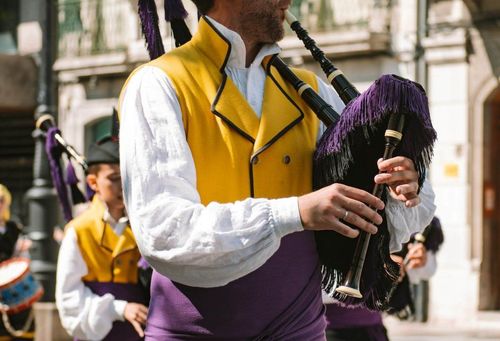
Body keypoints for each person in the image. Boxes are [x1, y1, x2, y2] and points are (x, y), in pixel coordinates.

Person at [119, 0, 436, 339]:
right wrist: (294, 212)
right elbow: (162, 229)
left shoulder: (312, 90)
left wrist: (397, 187)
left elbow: (379, 219)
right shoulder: (158, 83)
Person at [55, 137, 149, 341]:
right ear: (93, 182)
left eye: (127, 178)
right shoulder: (79, 230)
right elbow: (69, 299)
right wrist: (119, 308)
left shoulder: (143, 227)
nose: (123, 186)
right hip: (97, 334)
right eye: (114, 178)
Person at [324, 216, 444, 341]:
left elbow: (426, 271)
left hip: (373, 329)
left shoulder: (400, 214)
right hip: (328, 330)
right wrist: (376, 266)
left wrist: (420, 260)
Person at [0, 184, 35, 341]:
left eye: (1, 200)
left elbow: (22, 256)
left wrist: (24, 250)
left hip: (14, 286)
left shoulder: (14, 227)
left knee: (23, 327)